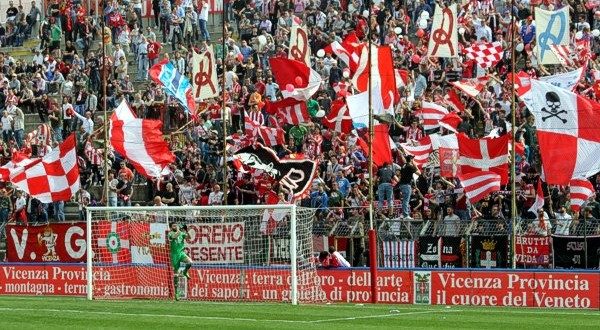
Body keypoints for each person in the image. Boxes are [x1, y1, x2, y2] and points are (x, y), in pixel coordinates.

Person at [168, 223, 192, 300]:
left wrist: (186, 230)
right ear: (171, 227)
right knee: (176, 274)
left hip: (181, 253)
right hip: (174, 255)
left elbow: (189, 237)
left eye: (176, 225)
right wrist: (179, 230)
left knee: (190, 262)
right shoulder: (170, 233)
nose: (175, 226)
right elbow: (174, 237)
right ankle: (176, 293)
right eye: (173, 226)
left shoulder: (181, 233)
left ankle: (185, 272)